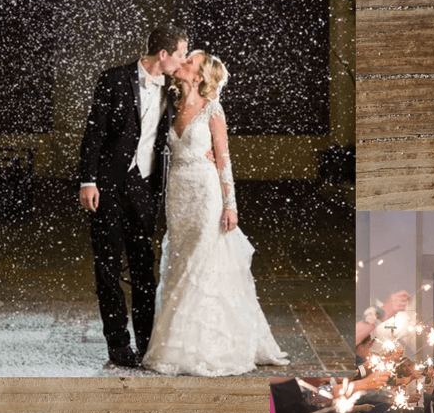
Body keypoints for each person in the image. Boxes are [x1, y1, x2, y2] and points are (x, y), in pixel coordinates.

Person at [142, 51, 289, 375]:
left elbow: (224, 161)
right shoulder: (172, 102)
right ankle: (176, 342)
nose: (182, 64)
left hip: (206, 194)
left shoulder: (212, 109)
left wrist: (230, 205)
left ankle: (205, 345)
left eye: (190, 62)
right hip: (178, 195)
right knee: (181, 261)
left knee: (201, 261)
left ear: (199, 76)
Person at [79, 25, 188, 367]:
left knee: (144, 270)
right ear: (164, 54)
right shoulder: (113, 79)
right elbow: (94, 132)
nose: (183, 60)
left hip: (145, 187)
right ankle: (118, 344)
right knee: (107, 268)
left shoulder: (173, 88)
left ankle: (146, 342)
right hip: (108, 187)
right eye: (181, 53)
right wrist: (88, 180)